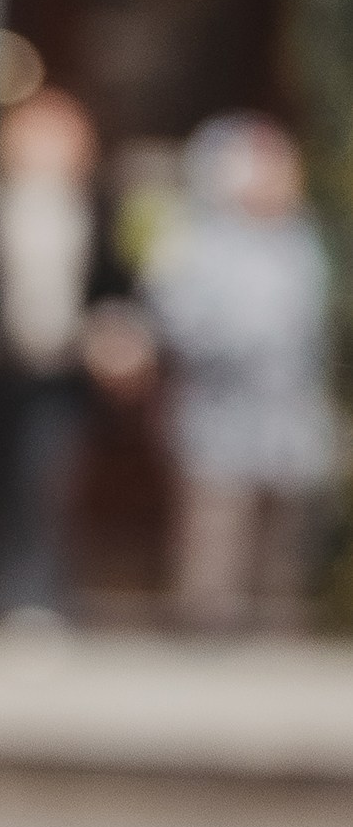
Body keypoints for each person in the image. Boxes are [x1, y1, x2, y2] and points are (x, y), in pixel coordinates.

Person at [0, 86, 137, 624]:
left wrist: (115, 336)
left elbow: (115, 284)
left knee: (49, 475)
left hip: (65, 368)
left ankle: (41, 591)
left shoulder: (96, 205)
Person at [143, 115, 336, 633]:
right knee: (216, 519)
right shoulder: (196, 237)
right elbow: (177, 314)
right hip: (219, 402)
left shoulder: (299, 239)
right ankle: (207, 621)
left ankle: (276, 618)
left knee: (283, 527)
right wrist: (235, 348)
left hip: (287, 409)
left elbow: (310, 324)